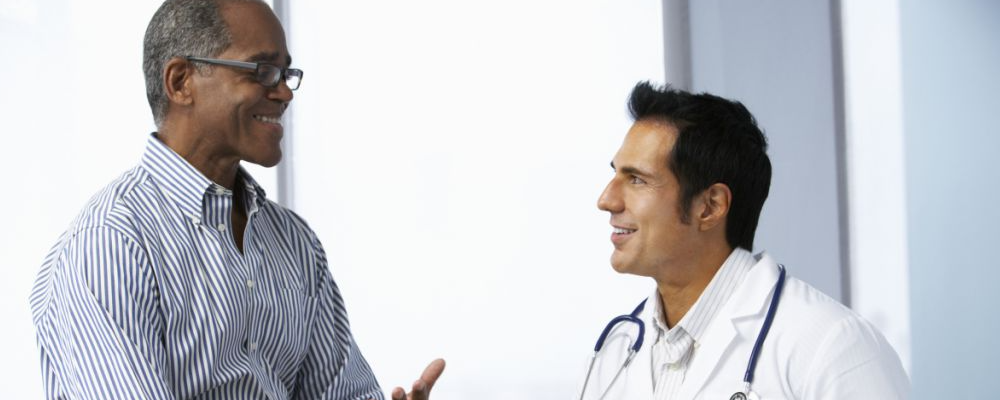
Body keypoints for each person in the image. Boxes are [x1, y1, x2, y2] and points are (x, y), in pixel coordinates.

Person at [28, 1, 443, 399]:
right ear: (181, 82)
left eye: (286, 73)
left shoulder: (294, 241)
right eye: (262, 71)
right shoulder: (109, 245)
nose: (285, 93)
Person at [578, 82, 909, 399]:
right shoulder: (617, 350)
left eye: (637, 180)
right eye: (615, 174)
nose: (606, 200)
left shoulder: (832, 347)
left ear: (710, 207)